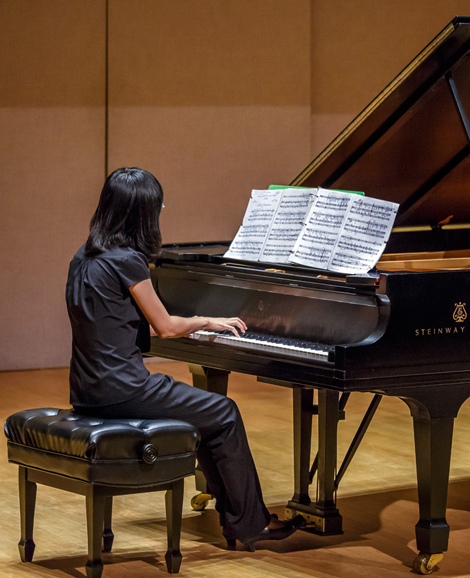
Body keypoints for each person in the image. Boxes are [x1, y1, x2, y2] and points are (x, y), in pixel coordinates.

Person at [66, 167, 304, 549]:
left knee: (209, 416)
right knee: (223, 413)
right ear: (143, 214)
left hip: (86, 389)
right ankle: (251, 523)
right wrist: (208, 320)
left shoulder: (84, 256)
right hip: (123, 389)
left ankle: (240, 520)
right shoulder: (127, 259)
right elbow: (165, 327)